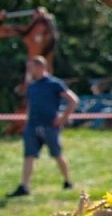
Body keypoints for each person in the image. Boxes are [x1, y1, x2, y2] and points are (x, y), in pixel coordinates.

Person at [10, 56, 78, 197]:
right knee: (29, 155)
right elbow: (31, 106)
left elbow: (73, 100)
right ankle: (24, 187)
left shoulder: (54, 84)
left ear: (40, 67)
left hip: (50, 126)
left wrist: (62, 118)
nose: (29, 71)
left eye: (31, 67)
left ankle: (68, 181)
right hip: (33, 126)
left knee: (57, 154)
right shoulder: (32, 86)